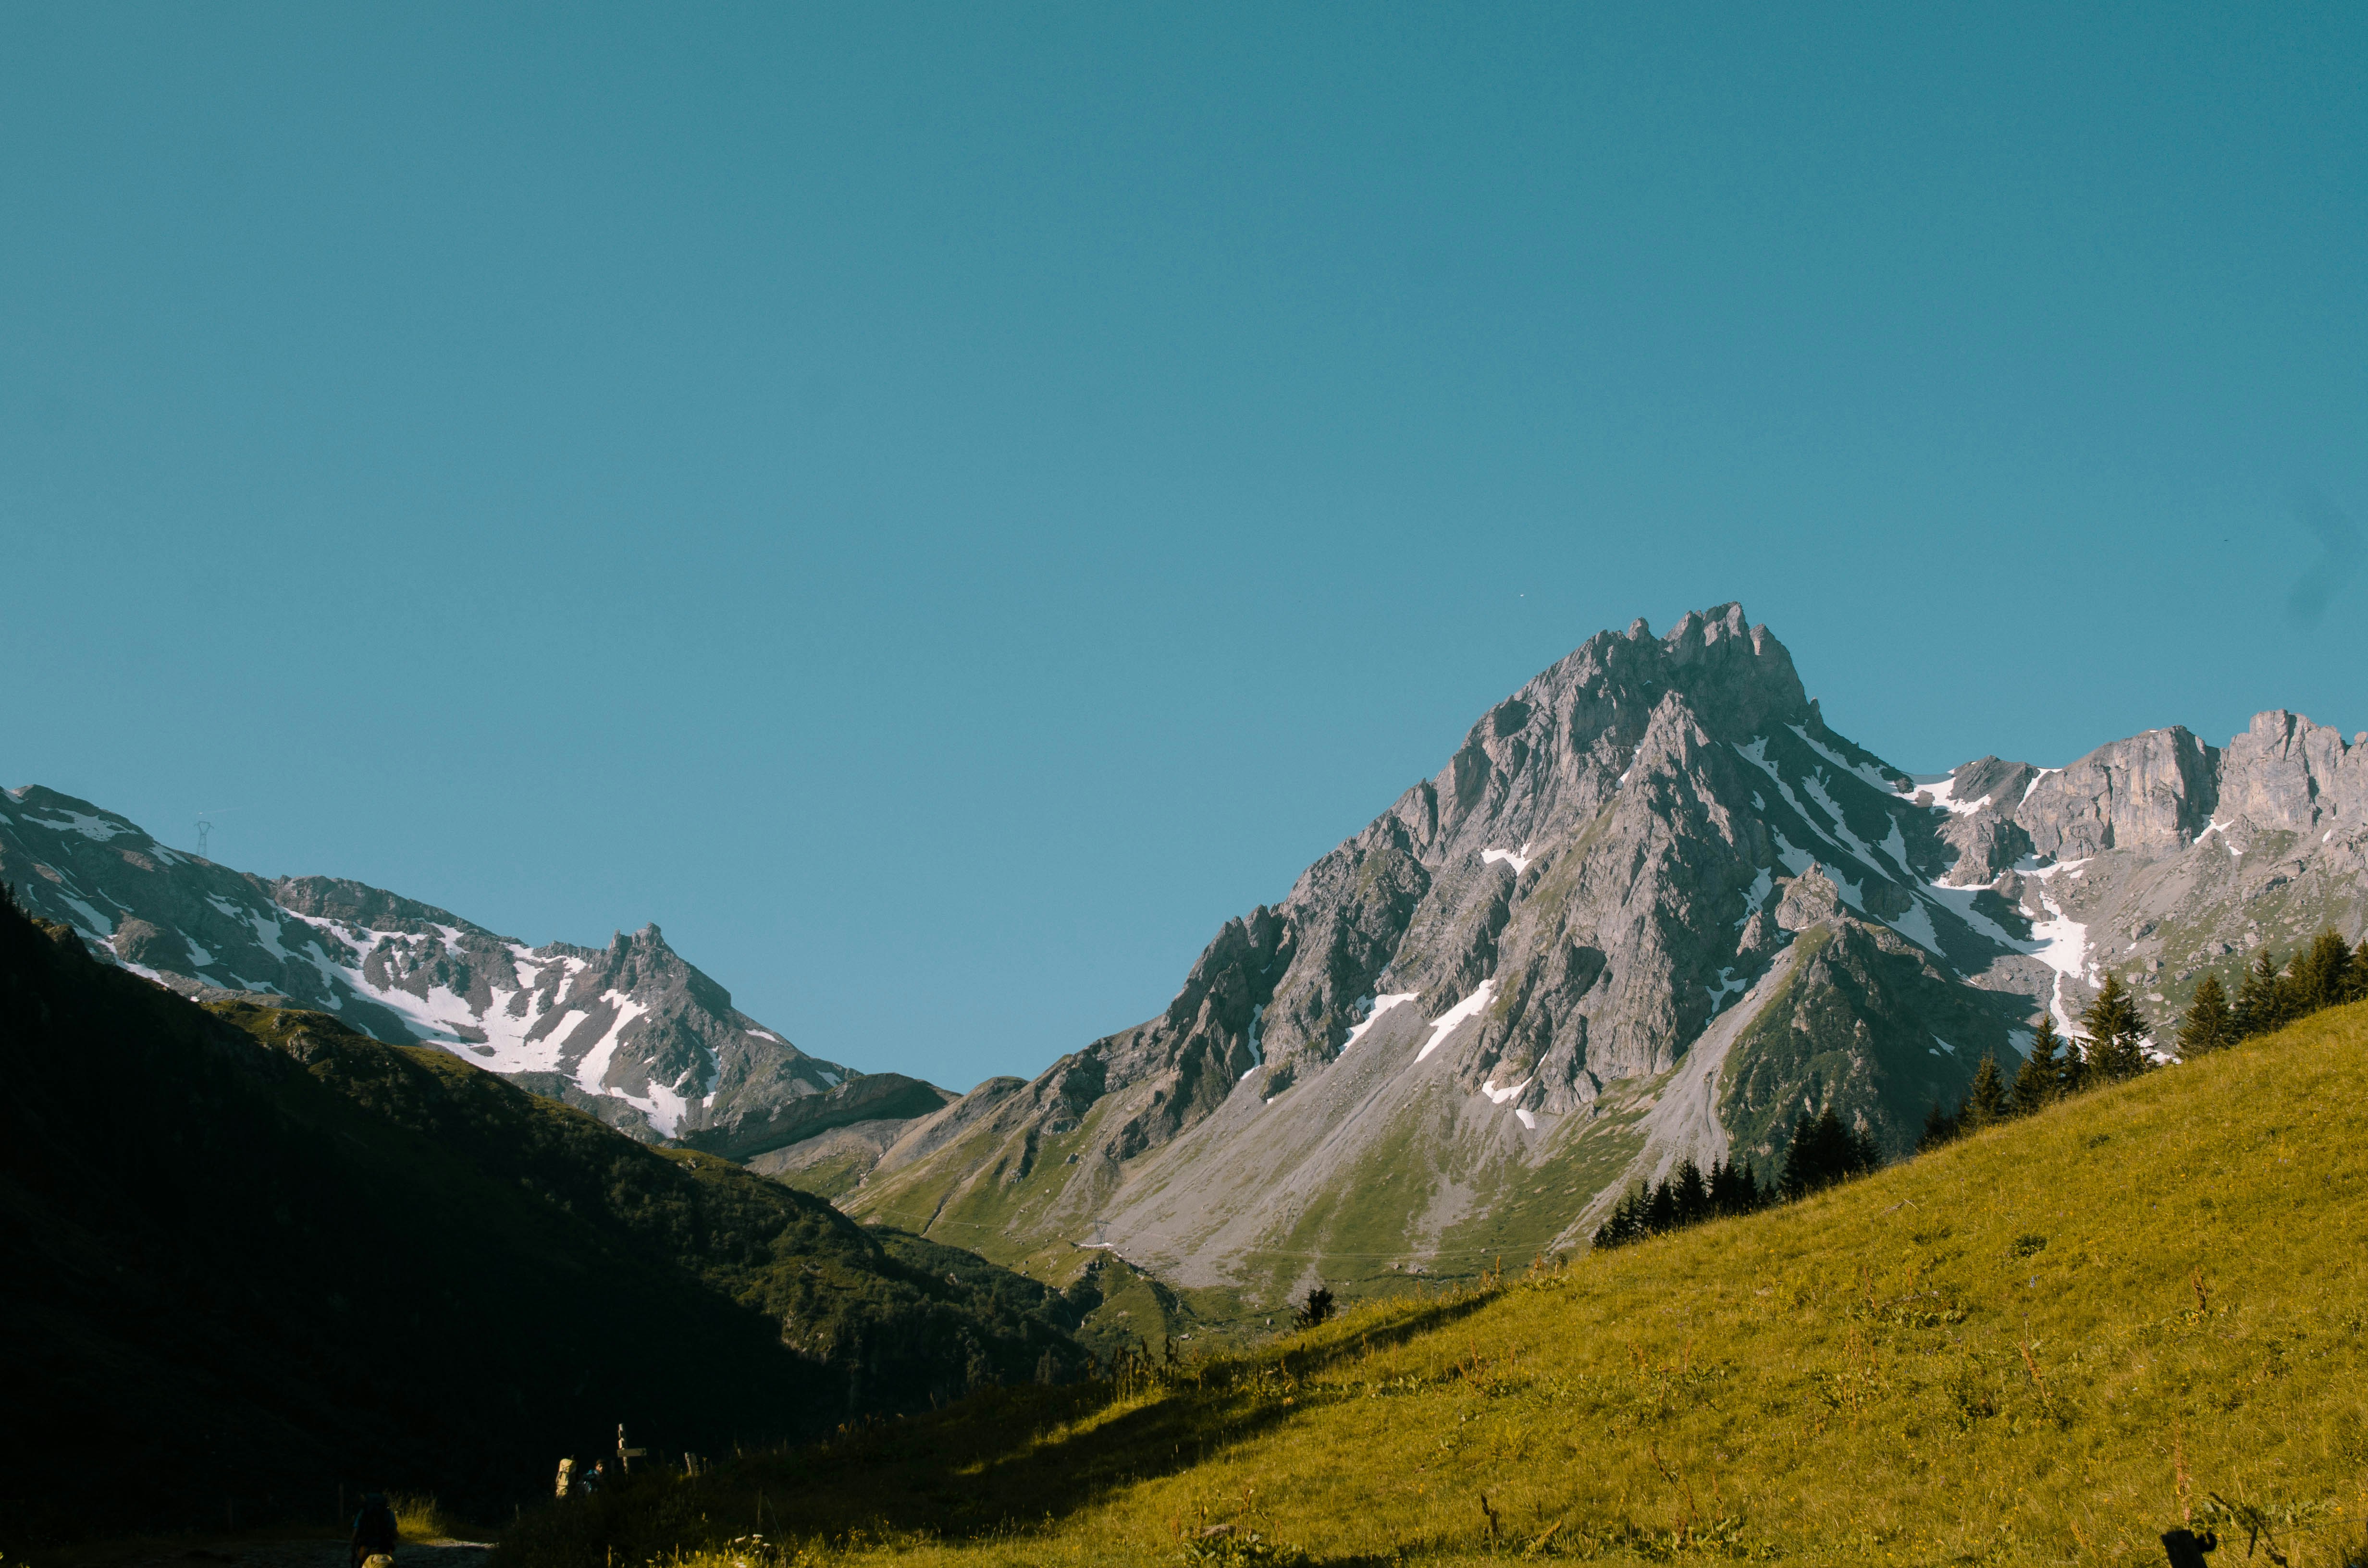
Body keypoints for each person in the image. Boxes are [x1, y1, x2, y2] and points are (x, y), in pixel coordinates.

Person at [350, 1491, 398, 1567]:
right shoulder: (389, 1514)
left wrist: (353, 1554)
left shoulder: (363, 1513)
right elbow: (395, 1534)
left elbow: (354, 1536)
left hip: (365, 1551)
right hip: (384, 1550)